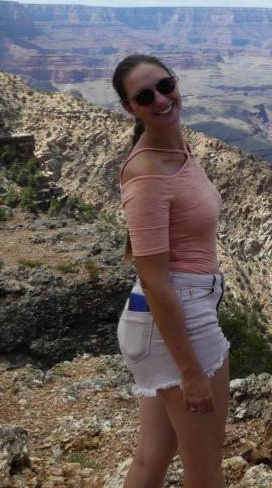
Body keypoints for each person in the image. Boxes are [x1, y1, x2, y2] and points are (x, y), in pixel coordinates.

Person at [112, 54, 229, 488]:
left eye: (165, 85)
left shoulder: (176, 147)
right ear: (130, 109)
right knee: (205, 468)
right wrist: (191, 372)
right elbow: (154, 278)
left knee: (151, 460)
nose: (161, 99)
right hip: (178, 321)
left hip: (165, 321)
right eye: (145, 96)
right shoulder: (146, 173)